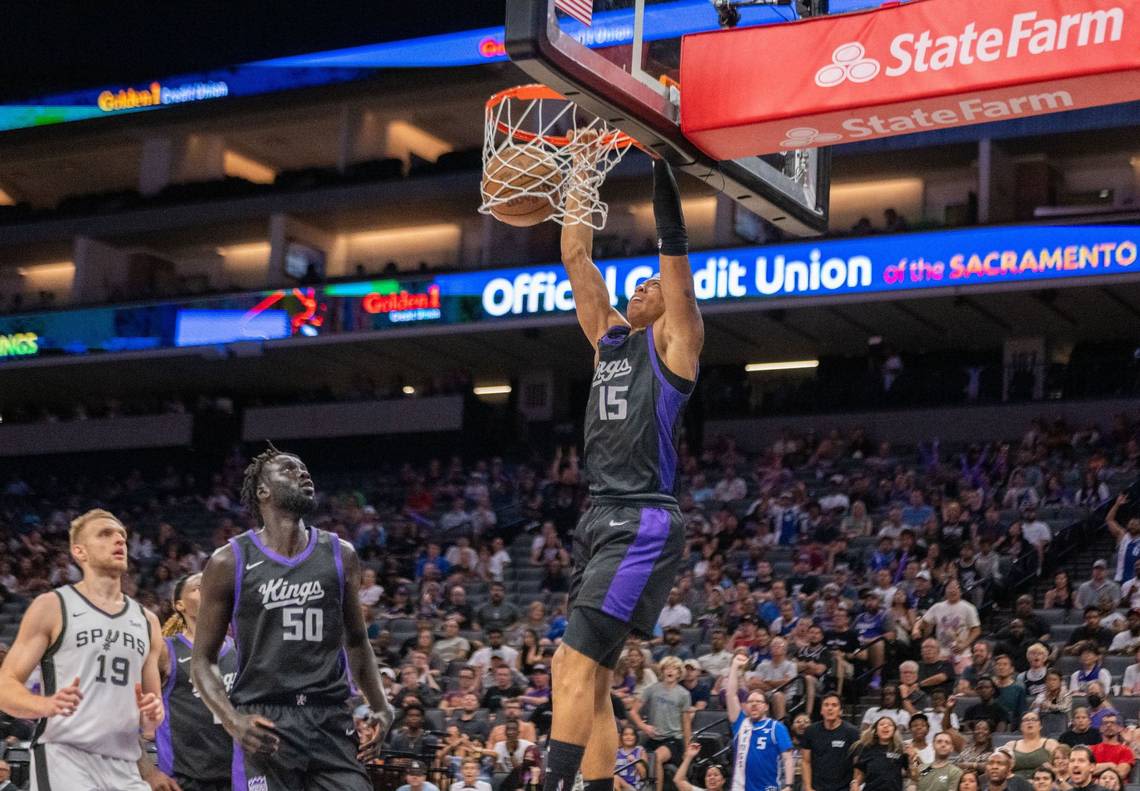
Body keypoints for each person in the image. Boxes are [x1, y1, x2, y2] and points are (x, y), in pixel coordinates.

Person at [542, 158, 702, 791]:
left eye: (649, 286)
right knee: (595, 677)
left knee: (568, 661)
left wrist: (662, 164)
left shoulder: (676, 347)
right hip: (599, 516)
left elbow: (676, 264)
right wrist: (582, 176)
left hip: (642, 516)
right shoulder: (609, 339)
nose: (640, 287)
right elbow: (577, 258)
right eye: (634, 283)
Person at [192, 446, 394, 791]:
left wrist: (380, 704)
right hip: (266, 720)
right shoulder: (229, 561)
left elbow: (357, 640)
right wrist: (233, 721)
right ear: (262, 491)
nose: (303, 473)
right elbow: (202, 660)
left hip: (330, 718)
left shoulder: (340, 554)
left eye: (303, 468)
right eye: (288, 469)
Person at [0, 509, 165, 791]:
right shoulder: (53, 605)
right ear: (79, 551)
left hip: (124, 762)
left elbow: (151, 712)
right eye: (105, 534)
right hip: (64, 755)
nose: (119, 540)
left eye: (122, 536)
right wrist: (45, 705)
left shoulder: (147, 620)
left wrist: (152, 717)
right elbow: (5, 686)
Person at [152, 572, 238, 791]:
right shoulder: (165, 649)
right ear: (179, 605)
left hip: (235, 774)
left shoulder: (240, 650)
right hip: (184, 778)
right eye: (199, 587)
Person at [725, 652, 794, 791]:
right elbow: (730, 694)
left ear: (766, 707)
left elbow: (788, 758)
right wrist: (734, 667)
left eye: (758, 701)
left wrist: (788, 785)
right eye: (750, 701)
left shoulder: (776, 727)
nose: (754, 704)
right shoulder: (740, 723)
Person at [628, 656, 692, 791]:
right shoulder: (652, 689)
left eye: (674, 668)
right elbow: (633, 712)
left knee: (656, 757)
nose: (670, 671)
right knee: (636, 757)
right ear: (662, 671)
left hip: (673, 740)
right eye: (667, 668)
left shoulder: (684, 694)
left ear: (679, 673)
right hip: (653, 738)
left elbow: (686, 724)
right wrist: (644, 726)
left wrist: (687, 750)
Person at [801, 693, 859, 791]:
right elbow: (806, 761)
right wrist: (808, 787)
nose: (830, 708)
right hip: (817, 787)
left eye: (834, 705)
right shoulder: (810, 731)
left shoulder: (852, 732)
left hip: (843, 788)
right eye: (826, 705)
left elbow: (857, 763)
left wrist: (855, 783)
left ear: (841, 711)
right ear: (821, 710)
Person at [852, 717, 913, 791]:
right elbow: (860, 773)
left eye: (890, 725)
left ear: (894, 731)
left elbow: (912, 775)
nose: (885, 726)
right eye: (881, 724)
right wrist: (855, 783)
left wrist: (911, 759)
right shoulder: (866, 748)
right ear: (876, 731)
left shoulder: (901, 749)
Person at [1002, 712, 1059, 779]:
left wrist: (1052, 769)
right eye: (1026, 720)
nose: (1029, 722)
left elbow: (1062, 766)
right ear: (1021, 727)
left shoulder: (1050, 744)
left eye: (1033, 719)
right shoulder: (1011, 745)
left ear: (1040, 726)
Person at [1106, 494, 1140, 584]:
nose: (1133, 526)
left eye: (1136, 524)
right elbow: (1109, 520)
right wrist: (1117, 505)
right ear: (1127, 525)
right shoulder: (1123, 535)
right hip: (1120, 580)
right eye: (1131, 524)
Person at [1088, 714, 1134, 778]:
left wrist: (1096, 769)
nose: (1108, 725)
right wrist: (1110, 765)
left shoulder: (1126, 750)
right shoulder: (1091, 749)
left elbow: (1121, 773)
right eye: (1105, 723)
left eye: (1112, 723)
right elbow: (1085, 771)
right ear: (1100, 728)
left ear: (1119, 728)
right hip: (1093, 787)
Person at [614, 725, 648, 791]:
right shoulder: (616, 753)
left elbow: (644, 775)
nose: (628, 737)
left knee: (615, 778)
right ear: (621, 737)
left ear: (636, 737)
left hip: (634, 787)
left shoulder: (640, 751)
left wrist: (634, 761)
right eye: (625, 734)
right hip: (618, 786)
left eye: (632, 735)